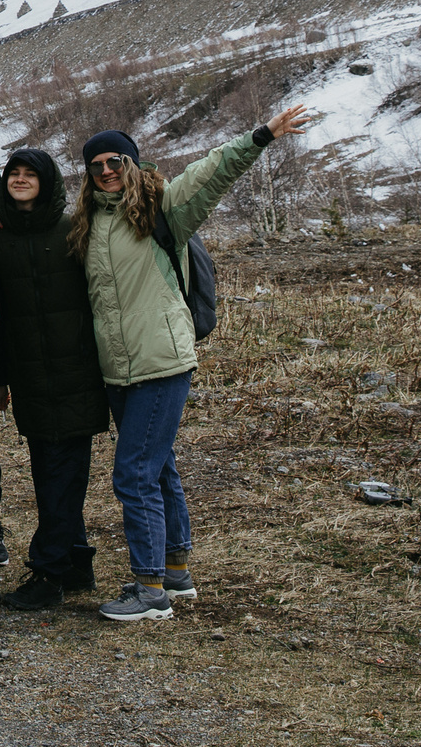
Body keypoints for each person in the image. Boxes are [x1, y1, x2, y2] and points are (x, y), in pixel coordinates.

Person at [76, 108, 315, 621]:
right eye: (96, 167)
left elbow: (213, 170)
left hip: (162, 360)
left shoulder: (166, 206)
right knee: (157, 465)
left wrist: (261, 136)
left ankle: (149, 588)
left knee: (133, 473)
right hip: (118, 367)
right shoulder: (88, 221)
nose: (107, 172)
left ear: (132, 162)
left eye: (115, 161)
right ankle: (175, 570)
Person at [0, 146, 106, 611]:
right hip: (30, 376)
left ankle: (48, 572)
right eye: (13, 173)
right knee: (49, 474)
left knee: (64, 474)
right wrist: (0, 377)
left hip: (77, 371)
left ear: (47, 180)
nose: (20, 179)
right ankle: (76, 562)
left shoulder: (74, 229)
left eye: (29, 174)